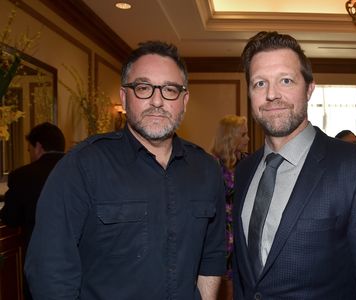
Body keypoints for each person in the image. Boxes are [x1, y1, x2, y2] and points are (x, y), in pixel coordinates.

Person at [24, 41, 226, 300]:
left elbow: (212, 254)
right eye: (143, 88)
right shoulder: (82, 166)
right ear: (124, 97)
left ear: (184, 100)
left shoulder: (207, 169)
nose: (157, 101)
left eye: (170, 90)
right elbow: (49, 271)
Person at [233, 31, 356, 299]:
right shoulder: (243, 171)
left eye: (286, 80)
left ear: (309, 89)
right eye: (259, 83)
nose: (272, 94)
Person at [0, 122, 65, 300]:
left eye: (29, 150)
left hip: (40, 261)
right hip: (82, 261)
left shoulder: (22, 176)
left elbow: (10, 218)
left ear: (38, 147)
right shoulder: (83, 170)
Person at [211, 115, 249, 298]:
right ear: (230, 137)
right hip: (220, 235)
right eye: (243, 135)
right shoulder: (211, 165)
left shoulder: (249, 163)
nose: (248, 140)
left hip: (244, 234)